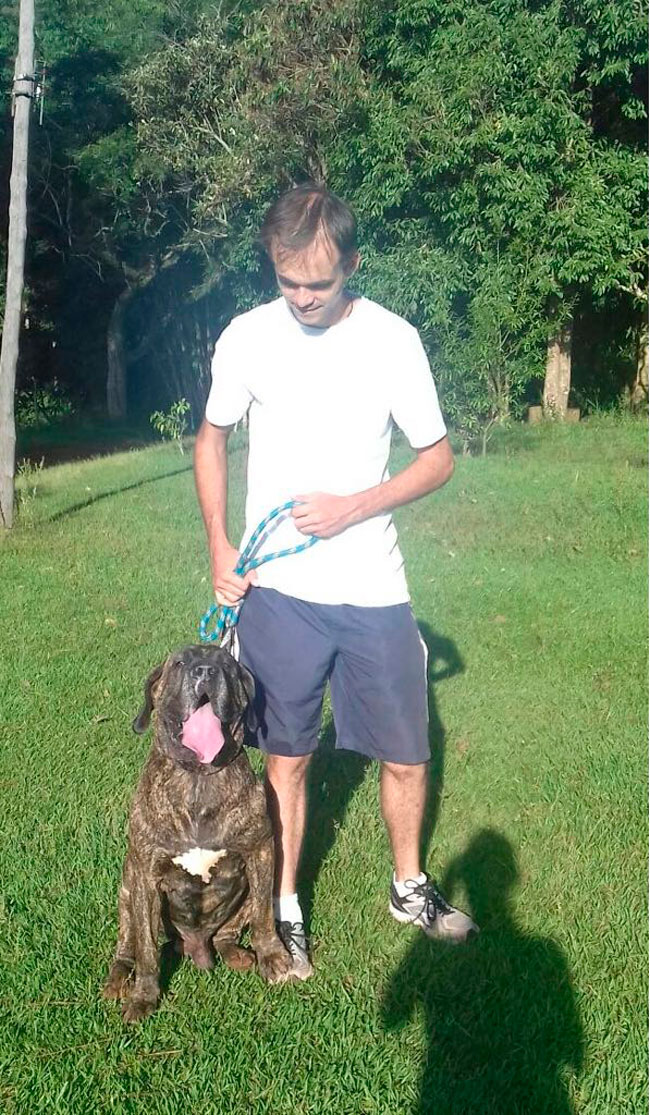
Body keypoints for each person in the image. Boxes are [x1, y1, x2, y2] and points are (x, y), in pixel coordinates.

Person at [194, 184, 478, 980]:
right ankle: (284, 907)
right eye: (288, 281)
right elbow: (210, 439)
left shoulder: (393, 341)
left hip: (372, 588)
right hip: (278, 594)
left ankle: (408, 887)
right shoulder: (249, 337)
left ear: (352, 263)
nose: (303, 298)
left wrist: (355, 505)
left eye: (318, 282)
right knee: (286, 758)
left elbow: (437, 460)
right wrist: (220, 546)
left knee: (408, 752)